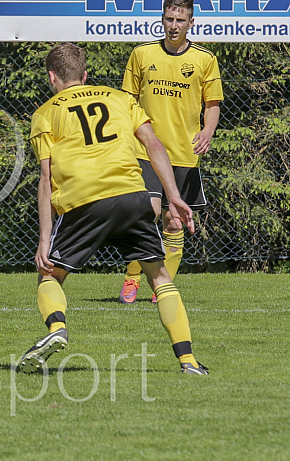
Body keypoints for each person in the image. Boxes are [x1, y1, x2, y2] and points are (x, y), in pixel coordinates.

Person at [19, 42, 209, 375]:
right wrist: (173, 195)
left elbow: (47, 178)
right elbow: (152, 144)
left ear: (51, 77)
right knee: (160, 277)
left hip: (84, 200)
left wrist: (44, 239)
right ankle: (188, 361)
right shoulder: (121, 99)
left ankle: (56, 330)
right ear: (85, 74)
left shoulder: (45, 113)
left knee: (50, 274)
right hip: (132, 196)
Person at [118, 0, 224, 304]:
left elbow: (212, 105)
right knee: (147, 213)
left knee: (174, 221)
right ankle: (132, 278)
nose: (174, 25)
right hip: (145, 150)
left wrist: (207, 131)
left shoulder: (205, 59)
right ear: (162, 20)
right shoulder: (142, 54)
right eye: (169, 19)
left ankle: (161, 287)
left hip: (184, 153)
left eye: (180, 20)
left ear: (191, 23)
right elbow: (128, 101)